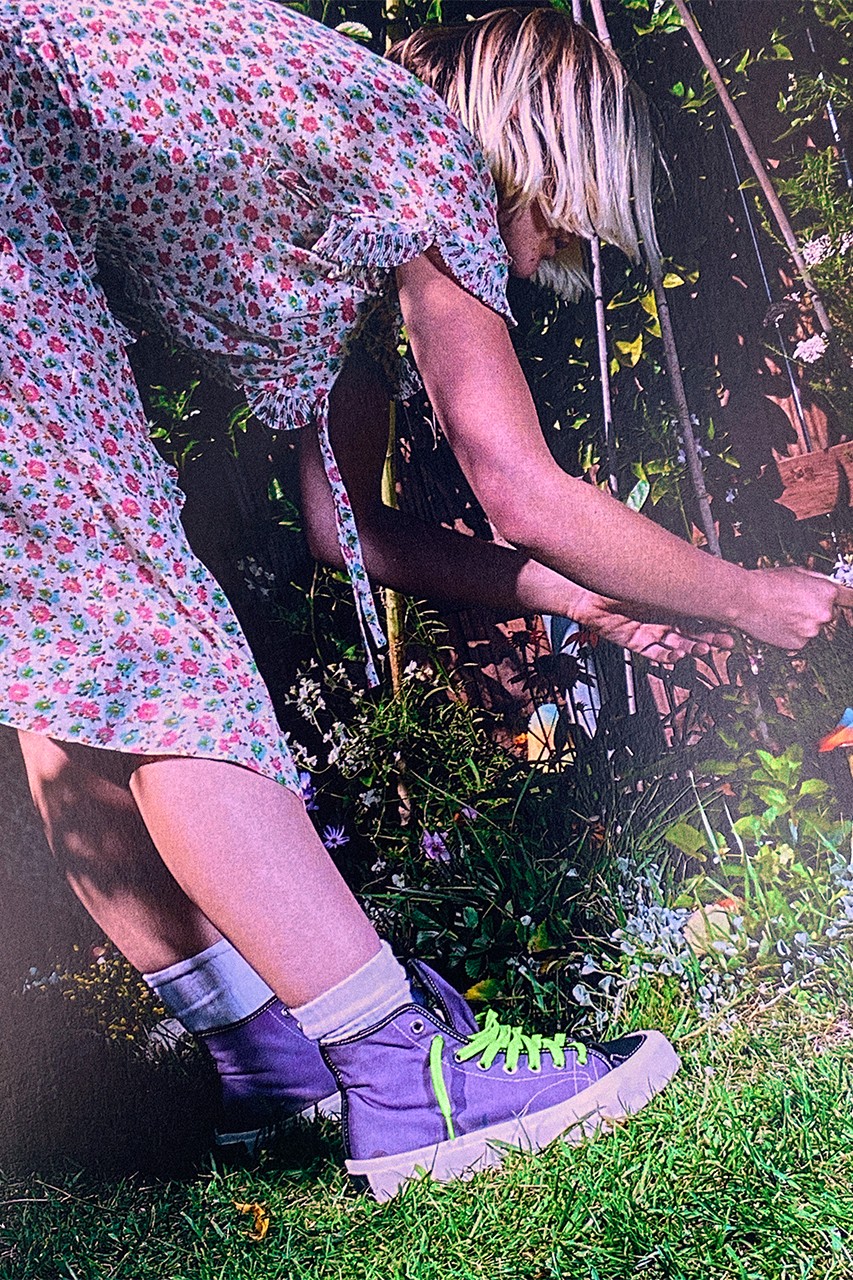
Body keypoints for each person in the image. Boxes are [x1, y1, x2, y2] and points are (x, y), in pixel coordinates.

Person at [3, 0, 849, 1199]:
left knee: (72, 648)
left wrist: (583, 601)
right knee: (150, 649)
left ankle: (269, 1062)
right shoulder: (427, 154)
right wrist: (747, 595)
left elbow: (342, 528)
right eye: (561, 216)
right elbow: (520, 488)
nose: (543, 257)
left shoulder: (334, 188)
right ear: (539, 144)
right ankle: (402, 1073)